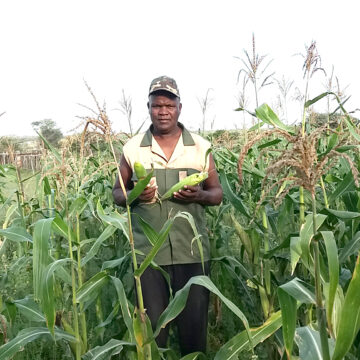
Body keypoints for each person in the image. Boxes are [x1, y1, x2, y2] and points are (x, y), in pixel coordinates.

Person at [112, 75, 223, 355]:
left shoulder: (200, 147)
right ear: (148, 108)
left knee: (194, 329)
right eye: (157, 105)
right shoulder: (133, 148)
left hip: (192, 251)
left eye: (169, 106)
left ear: (179, 108)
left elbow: (217, 194)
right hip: (149, 256)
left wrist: (198, 195)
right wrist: (134, 195)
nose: (163, 111)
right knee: (153, 332)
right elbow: (117, 194)